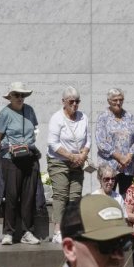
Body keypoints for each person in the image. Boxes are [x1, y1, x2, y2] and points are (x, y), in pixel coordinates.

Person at [0, 82, 41, 246]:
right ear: (10, 96)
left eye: (22, 95)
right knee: (12, 196)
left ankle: (27, 232)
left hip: (28, 157)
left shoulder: (30, 111)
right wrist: (7, 150)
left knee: (28, 196)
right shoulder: (4, 113)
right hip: (11, 160)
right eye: (16, 95)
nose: (20, 98)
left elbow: (35, 129)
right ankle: (8, 232)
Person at [47, 86, 90, 244]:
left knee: (75, 196)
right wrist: (71, 156)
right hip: (59, 161)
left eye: (77, 101)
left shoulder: (83, 117)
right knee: (60, 195)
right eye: (71, 101)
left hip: (78, 161)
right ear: (63, 102)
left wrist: (83, 155)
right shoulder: (57, 118)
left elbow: (88, 139)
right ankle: (58, 230)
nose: (75, 104)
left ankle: (71, 228)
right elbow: (52, 143)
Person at [94, 87, 134, 199]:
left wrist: (128, 157)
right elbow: (101, 142)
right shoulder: (103, 118)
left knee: (127, 198)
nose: (118, 102)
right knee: (108, 198)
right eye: (115, 100)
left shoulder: (129, 117)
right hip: (109, 167)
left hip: (128, 167)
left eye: (121, 99)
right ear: (109, 101)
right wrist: (120, 158)